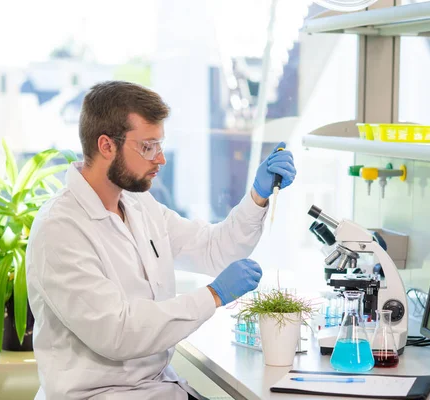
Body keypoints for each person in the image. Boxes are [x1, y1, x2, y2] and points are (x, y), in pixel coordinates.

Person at [25, 81, 296, 400]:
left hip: (158, 389)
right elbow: (119, 333)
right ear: (106, 146)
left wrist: (257, 197)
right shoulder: (60, 229)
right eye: (147, 146)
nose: (161, 159)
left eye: (160, 145)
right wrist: (213, 295)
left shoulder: (140, 206)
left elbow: (215, 251)